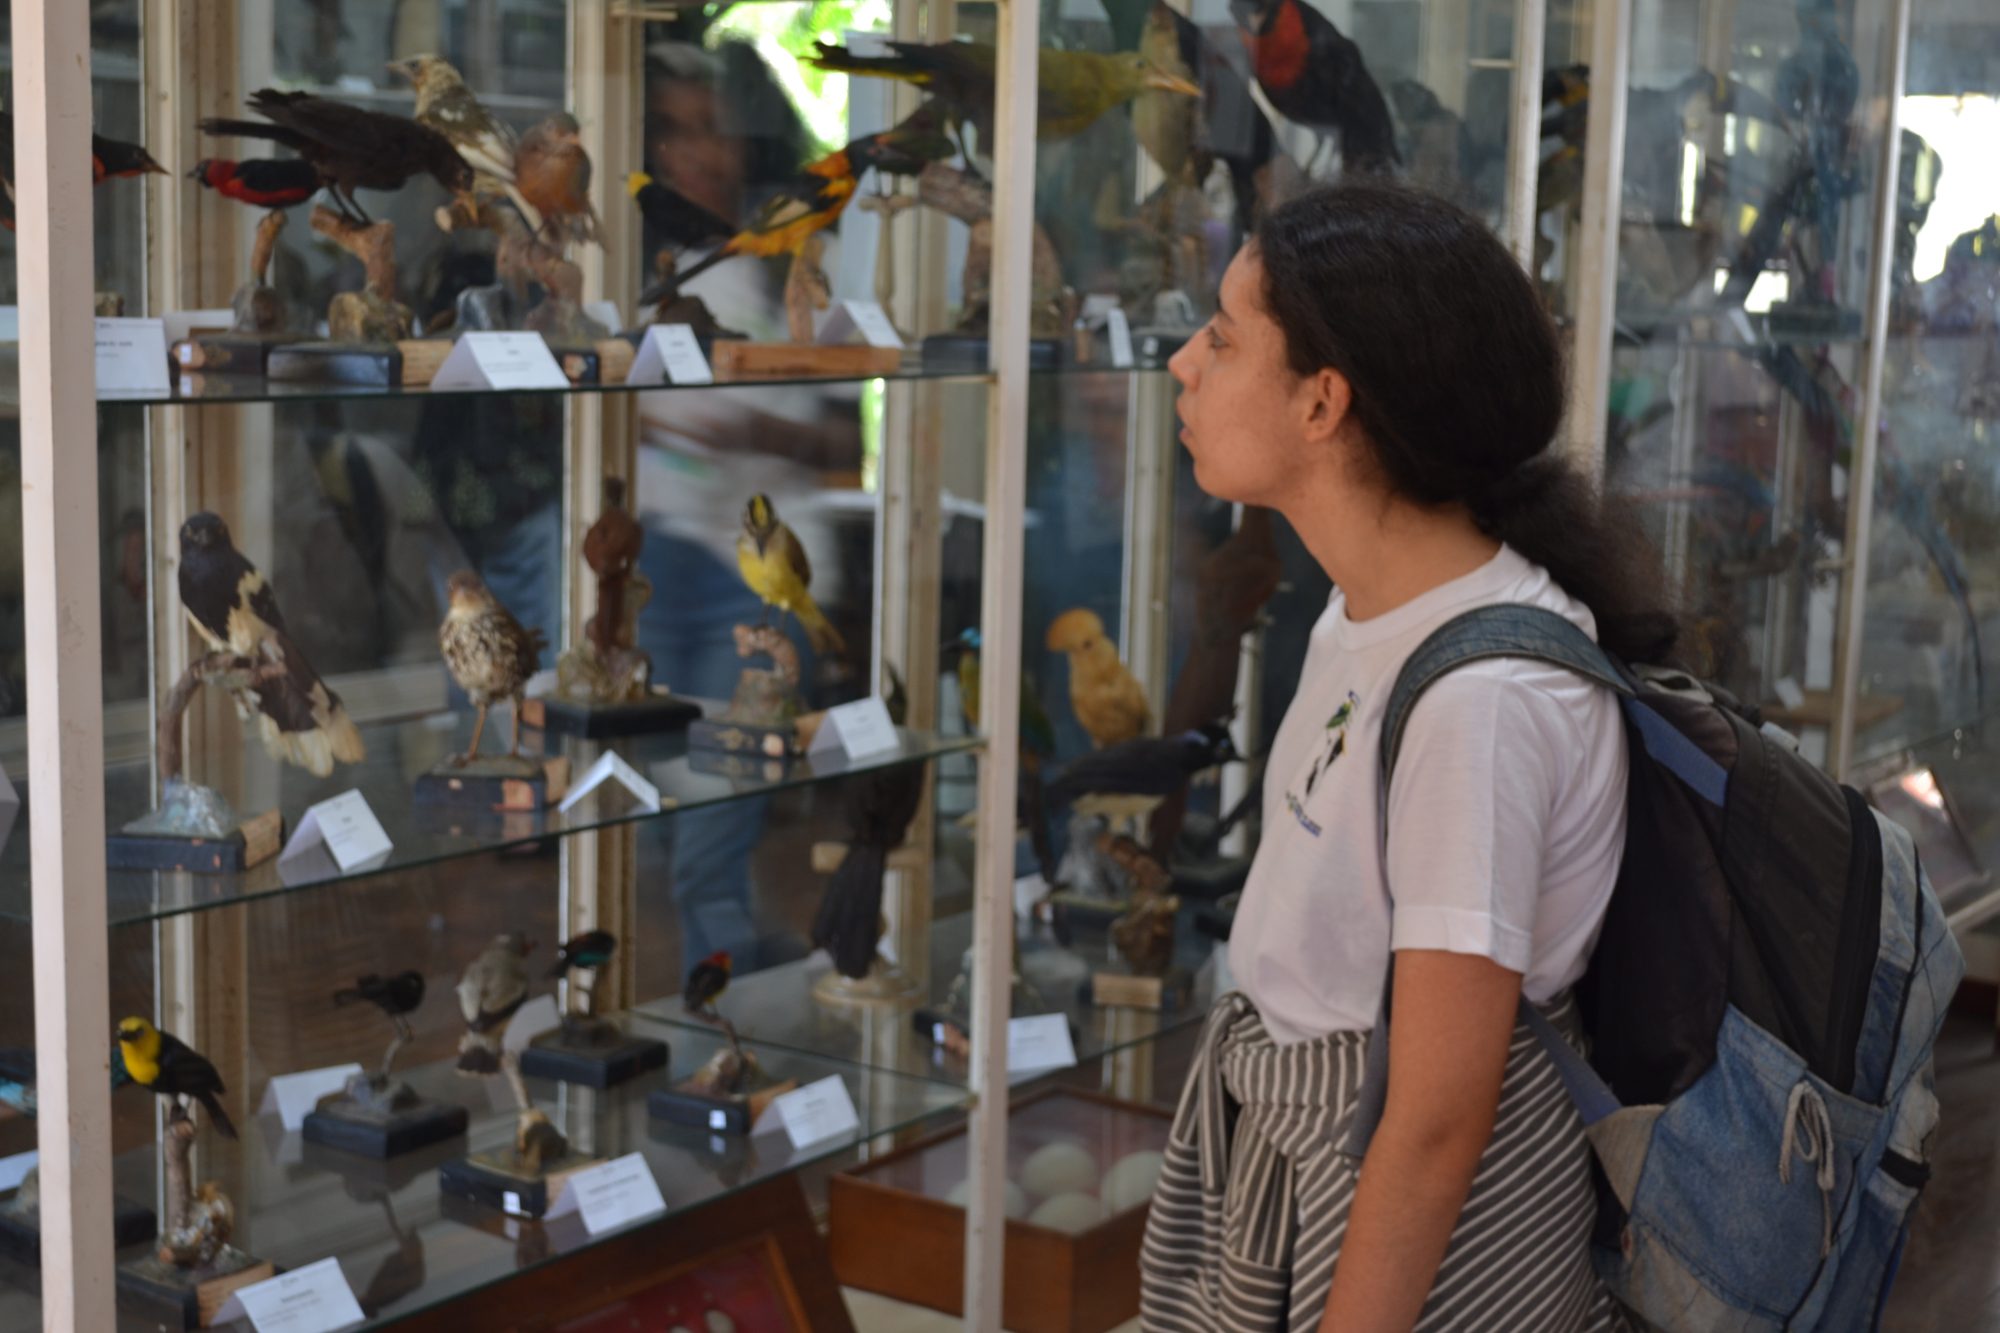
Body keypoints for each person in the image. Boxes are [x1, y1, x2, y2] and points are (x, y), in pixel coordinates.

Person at [1140, 181, 1677, 1331]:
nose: (1183, 361)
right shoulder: (1369, 607)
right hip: (1302, 1164)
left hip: (1401, 1227)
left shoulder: (1480, 700)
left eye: (1224, 337)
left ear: (1322, 402)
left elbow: (1435, 1117)